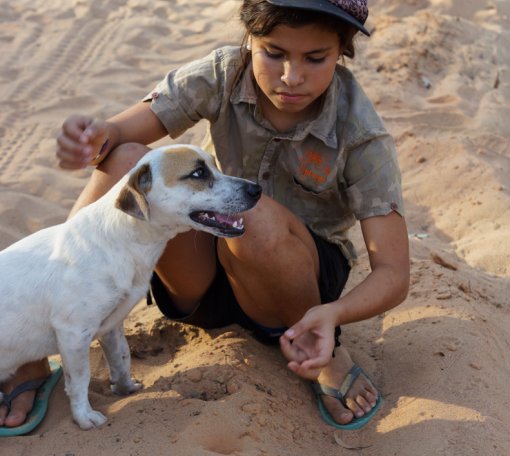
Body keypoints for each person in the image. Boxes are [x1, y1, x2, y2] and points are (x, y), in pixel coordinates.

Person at [0, 0, 409, 432]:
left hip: (292, 290)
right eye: (273, 52)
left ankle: (322, 351)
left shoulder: (362, 135)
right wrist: (95, 138)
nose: (291, 76)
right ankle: (31, 347)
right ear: (249, 39)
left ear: (343, 50)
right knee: (128, 163)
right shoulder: (223, 72)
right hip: (201, 273)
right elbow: (119, 137)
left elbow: (393, 274)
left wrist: (333, 315)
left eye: (315, 58)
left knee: (255, 221)